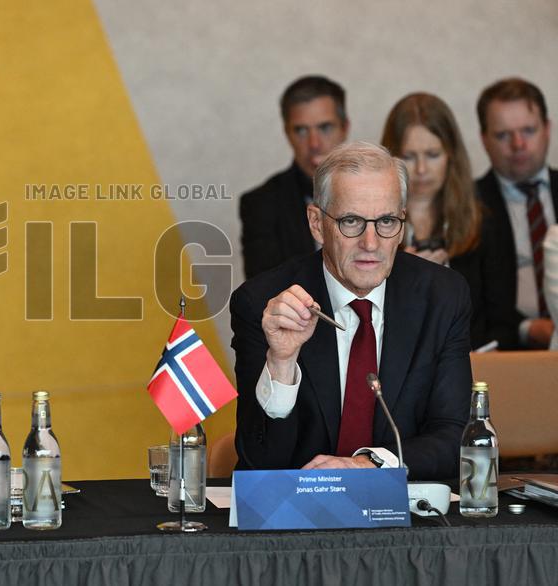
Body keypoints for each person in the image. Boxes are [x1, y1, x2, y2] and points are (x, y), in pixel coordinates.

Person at [231, 142, 471, 481]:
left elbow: (457, 438)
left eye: (386, 221)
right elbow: (261, 463)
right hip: (299, 520)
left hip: (406, 524)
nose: (370, 243)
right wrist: (282, 362)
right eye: (351, 221)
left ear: (402, 225)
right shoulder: (265, 303)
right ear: (316, 223)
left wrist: (369, 464)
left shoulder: (442, 297)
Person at [379, 93, 490, 347]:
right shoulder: (372, 223)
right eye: (408, 156)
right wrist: (403, 275)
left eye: (432, 154)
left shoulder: (481, 219)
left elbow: (497, 320)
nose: (420, 170)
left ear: (451, 155)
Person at [240, 75, 350, 278]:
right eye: (301, 130)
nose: (314, 143)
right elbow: (260, 292)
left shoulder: (378, 191)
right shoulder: (261, 204)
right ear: (287, 133)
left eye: (325, 128)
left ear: (345, 128)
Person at [475, 78, 555, 349]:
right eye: (503, 135)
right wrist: (527, 328)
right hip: (507, 352)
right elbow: (471, 304)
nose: (518, 144)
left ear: (548, 129)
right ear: (484, 140)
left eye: (528, 130)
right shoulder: (467, 206)